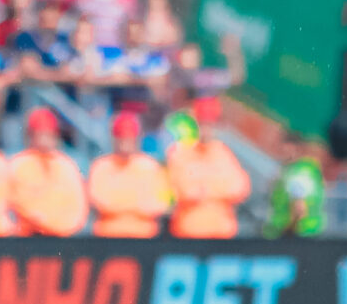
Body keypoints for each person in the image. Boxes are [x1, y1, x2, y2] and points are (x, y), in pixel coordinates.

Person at [165, 95, 250, 237]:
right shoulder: (180, 153)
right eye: (202, 124)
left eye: (210, 124)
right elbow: (183, 191)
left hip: (221, 233)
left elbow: (239, 189)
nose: (206, 129)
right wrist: (217, 190)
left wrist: (205, 189)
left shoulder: (224, 153)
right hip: (188, 231)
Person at [88, 111, 173, 237]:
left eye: (129, 138)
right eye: (122, 138)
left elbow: (161, 204)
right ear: (114, 139)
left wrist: (119, 202)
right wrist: (136, 204)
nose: (125, 143)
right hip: (108, 238)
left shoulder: (150, 166)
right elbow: (99, 201)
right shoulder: (101, 166)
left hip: (143, 237)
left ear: (136, 138)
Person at [9, 107, 91, 236]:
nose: (45, 140)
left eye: (49, 135)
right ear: (31, 136)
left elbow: (78, 208)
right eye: (40, 134)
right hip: (28, 237)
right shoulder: (19, 164)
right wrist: (50, 223)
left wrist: (62, 226)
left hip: (62, 237)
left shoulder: (67, 165)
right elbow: (22, 204)